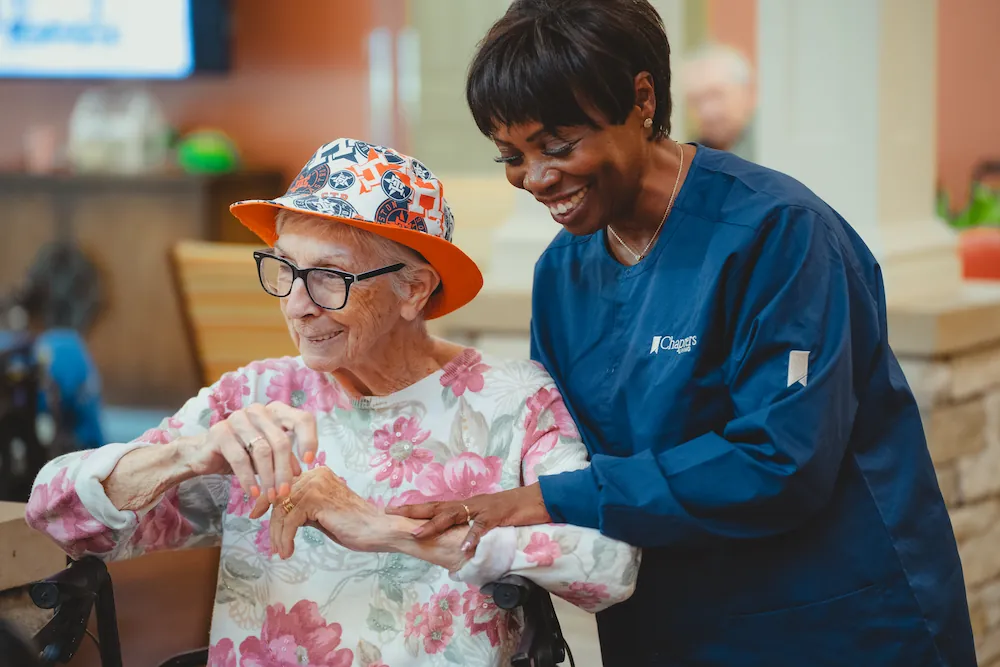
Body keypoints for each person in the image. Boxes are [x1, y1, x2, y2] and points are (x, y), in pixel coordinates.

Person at [387, 1, 978, 665]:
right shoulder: (563, 273)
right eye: (510, 156)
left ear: (642, 99)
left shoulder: (780, 234)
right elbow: (562, 443)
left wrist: (542, 500)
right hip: (667, 624)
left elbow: (782, 462)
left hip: (831, 623)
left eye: (557, 145)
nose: (537, 177)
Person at [25, 138, 639, 667]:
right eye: (285, 270)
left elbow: (609, 564)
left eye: (329, 277)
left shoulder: (512, 402)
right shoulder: (257, 398)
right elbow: (57, 517)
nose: (296, 303)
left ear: (414, 289)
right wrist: (188, 455)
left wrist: (390, 531)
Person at [680, 43, 757, 160]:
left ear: (748, 92)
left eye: (716, 95)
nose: (707, 111)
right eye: (697, 100)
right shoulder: (687, 160)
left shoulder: (770, 147)